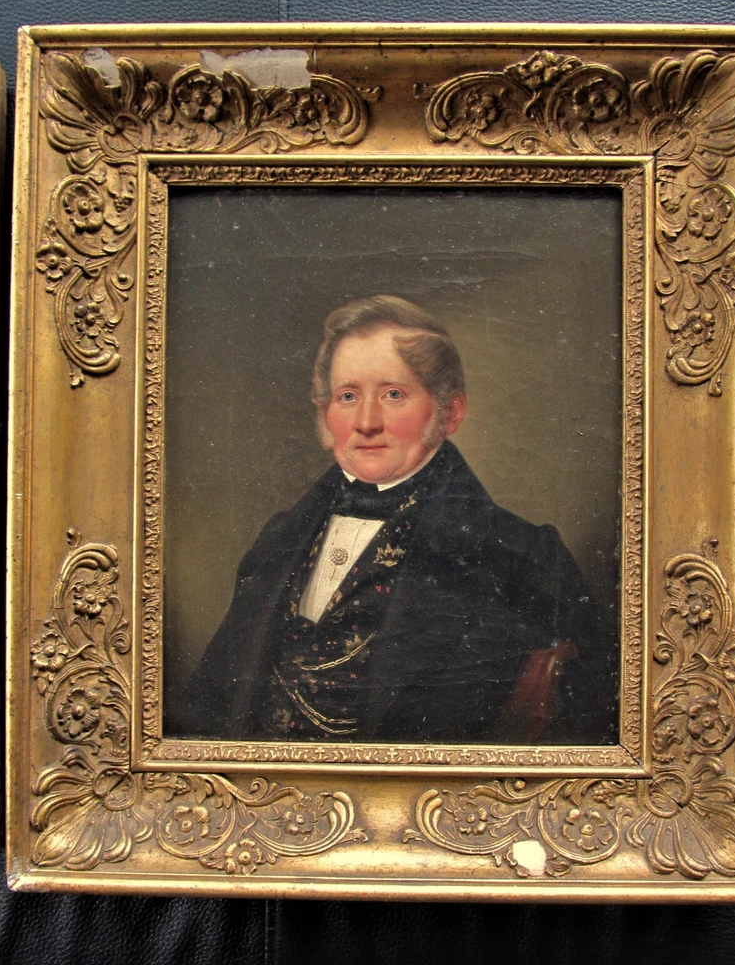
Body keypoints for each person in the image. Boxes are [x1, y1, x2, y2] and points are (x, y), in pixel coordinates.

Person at [175, 295, 617, 745]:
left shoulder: (518, 555)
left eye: (393, 395)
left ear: (450, 411)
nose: (366, 422)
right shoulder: (279, 539)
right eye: (348, 396)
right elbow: (208, 709)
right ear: (325, 414)